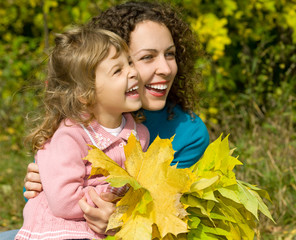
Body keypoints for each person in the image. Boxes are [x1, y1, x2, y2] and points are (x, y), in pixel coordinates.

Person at [2, 1, 210, 239]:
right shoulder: (79, 124)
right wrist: (39, 182)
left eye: (170, 54)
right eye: (146, 57)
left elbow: (173, 213)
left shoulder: (188, 133)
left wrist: (121, 219)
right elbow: (45, 197)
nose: (165, 68)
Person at [15, 26, 149, 240]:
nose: (133, 72)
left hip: (106, 229)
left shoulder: (139, 134)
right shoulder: (71, 136)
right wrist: (113, 197)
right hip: (60, 230)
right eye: (118, 70)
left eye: (130, 63)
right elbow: (63, 202)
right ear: (85, 95)